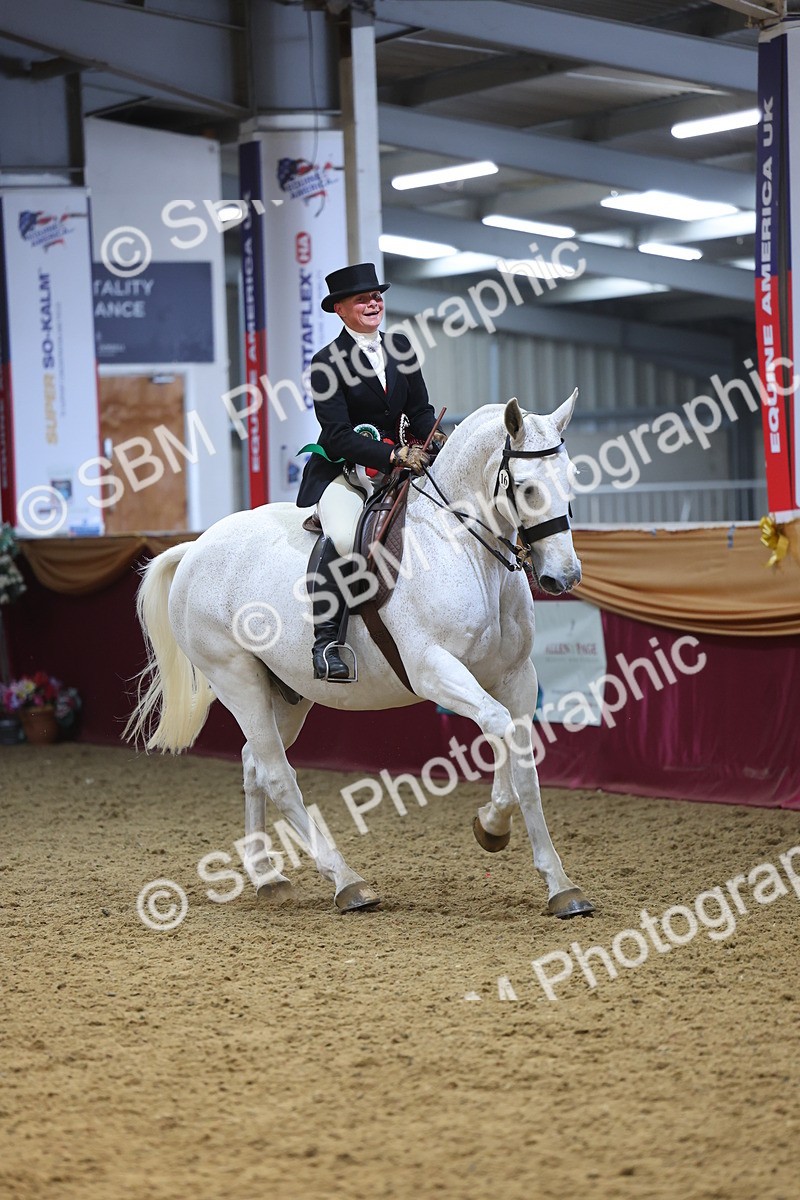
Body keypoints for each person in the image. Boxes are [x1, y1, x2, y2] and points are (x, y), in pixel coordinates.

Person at [296, 262, 444, 681]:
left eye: (377, 295)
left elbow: (419, 410)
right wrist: (394, 455)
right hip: (344, 472)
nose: (373, 302)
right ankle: (326, 643)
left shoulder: (400, 347)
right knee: (343, 537)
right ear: (340, 309)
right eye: (362, 298)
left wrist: (433, 436)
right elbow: (338, 434)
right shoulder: (326, 363)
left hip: (402, 466)